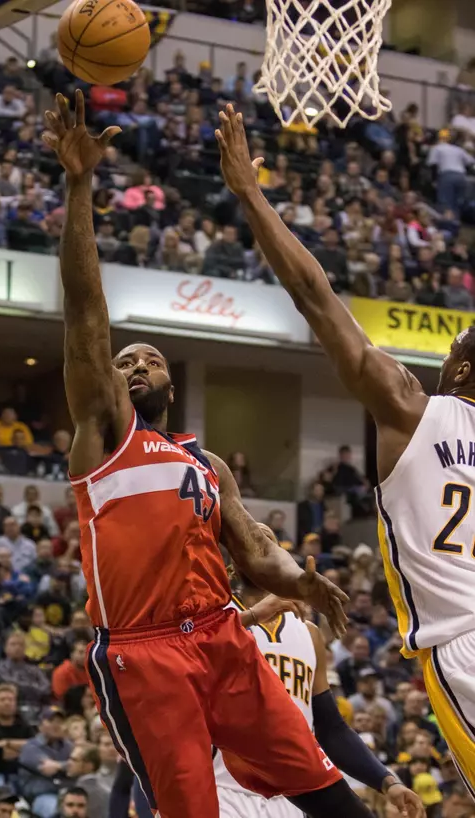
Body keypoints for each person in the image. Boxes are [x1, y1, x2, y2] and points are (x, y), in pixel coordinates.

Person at [41, 90, 365, 818]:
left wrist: (302, 582)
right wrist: (80, 184)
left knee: (325, 787)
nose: (133, 366)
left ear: (169, 381)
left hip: (223, 635)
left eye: (149, 359)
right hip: (142, 653)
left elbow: (256, 553)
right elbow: (86, 311)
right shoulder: (104, 436)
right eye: (124, 362)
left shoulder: (204, 463)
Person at [216, 102, 475, 796]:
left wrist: (249, 194)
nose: (446, 355)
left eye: (454, 348)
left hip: (464, 644)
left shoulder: (412, 406)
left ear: (465, 371)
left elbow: (314, 294)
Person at [214, 524, 423, 818]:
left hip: (292, 799)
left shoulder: (309, 633)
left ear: (279, 559)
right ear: (234, 557)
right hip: (223, 789)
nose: (255, 547)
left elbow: (330, 727)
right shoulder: (216, 619)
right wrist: (251, 617)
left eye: (265, 542)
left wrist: (386, 781)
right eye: (246, 541)